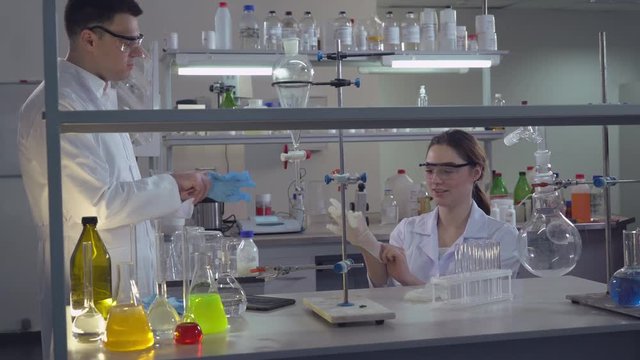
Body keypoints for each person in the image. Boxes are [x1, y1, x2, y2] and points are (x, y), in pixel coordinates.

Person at [18, 1, 253, 358]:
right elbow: (96, 206)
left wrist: (187, 194)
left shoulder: (98, 97)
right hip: (91, 293)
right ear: (89, 39)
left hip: (126, 292)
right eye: (127, 42)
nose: (140, 52)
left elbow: (126, 196)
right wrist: (173, 184)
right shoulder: (62, 105)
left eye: (138, 40)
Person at [328, 129, 520, 287]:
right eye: (429, 170)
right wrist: (366, 244)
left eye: (447, 171)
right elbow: (381, 287)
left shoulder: (503, 238)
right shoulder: (406, 230)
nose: (435, 180)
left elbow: (479, 305)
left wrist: (409, 280)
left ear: (475, 173)